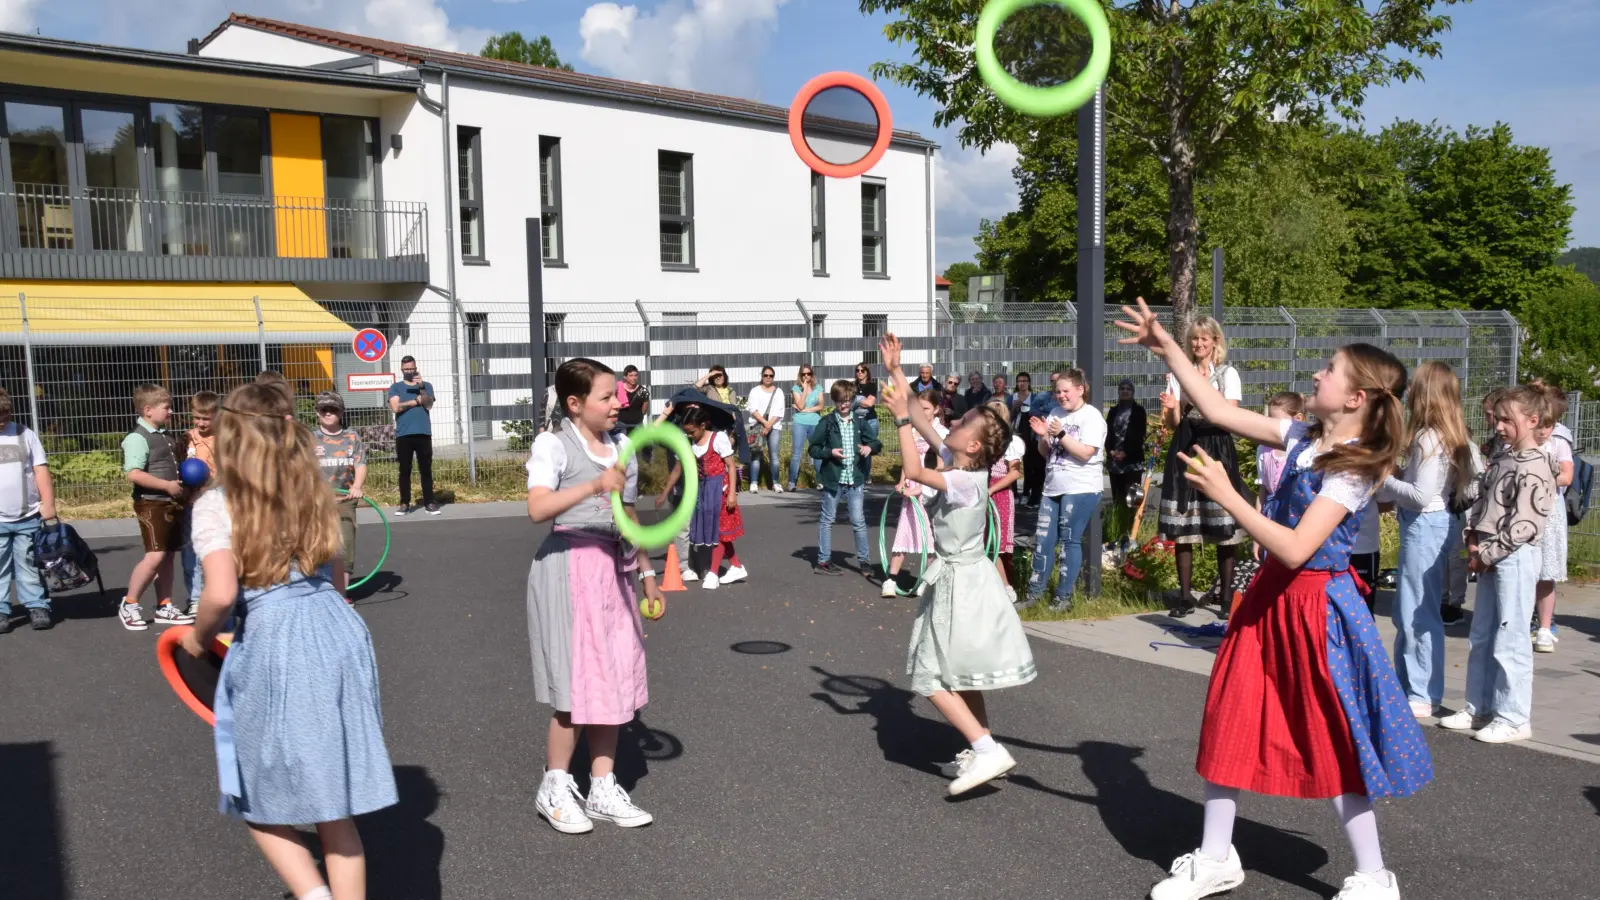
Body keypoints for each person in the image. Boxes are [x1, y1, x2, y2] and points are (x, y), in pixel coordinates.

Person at [1118, 298, 1428, 900]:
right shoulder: (1304, 436)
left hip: (1315, 611)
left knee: (1333, 735)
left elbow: (1295, 548)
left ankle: (1373, 874)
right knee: (1228, 715)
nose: (1317, 375)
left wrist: (1228, 494)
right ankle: (1215, 858)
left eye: (1330, 370)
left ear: (1356, 398)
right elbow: (1214, 408)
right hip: (1268, 604)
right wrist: (1168, 346)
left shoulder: (1354, 469)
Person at [180, 382, 397, 899]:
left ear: (231, 434)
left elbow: (221, 591)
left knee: (258, 792)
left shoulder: (218, 503)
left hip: (277, 636)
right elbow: (339, 576)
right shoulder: (312, 489)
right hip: (336, 627)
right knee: (333, 799)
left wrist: (195, 640)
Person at [880, 333, 1035, 796]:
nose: (953, 421)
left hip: (960, 583)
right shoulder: (962, 462)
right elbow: (921, 420)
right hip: (960, 578)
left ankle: (986, 748)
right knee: (961, 672)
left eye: (963, 421)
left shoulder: (967, 481)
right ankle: (978, 747)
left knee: (928, 674)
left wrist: (901, 425)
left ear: (974, 447)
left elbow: (912, 470)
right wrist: (895, 371)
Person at [525, 358, 664, 834]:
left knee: (614, 680)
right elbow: (538, 508)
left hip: (613, 568)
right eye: (606, 397)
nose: (617, 403)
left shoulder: (621, 444)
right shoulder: (553, 444)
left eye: (616, 396)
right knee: (574, 685)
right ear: (575, 403)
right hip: (568, 567)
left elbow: (627, 514)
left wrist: (647, 572)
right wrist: (591, 483)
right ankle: (556, 785)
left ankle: (602, 786)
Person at [1439, 385, 1555, 746]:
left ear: (1533, 421)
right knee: (1483, 633)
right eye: (1498, 418)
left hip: (1512, 558)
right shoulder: (1504, 457)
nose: (1500, 426)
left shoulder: (1535, 464)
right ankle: (1480, 705)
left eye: (1508, 420)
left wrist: (1485, 554)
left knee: (1511, 637)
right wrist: (1473, 538)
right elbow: (1484, 499)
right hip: (1488, 555)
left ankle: (1514, 715)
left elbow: (1525, 524)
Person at [1380, 362, 1473, 718]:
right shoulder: (1437, 435)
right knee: (1411, 609)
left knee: (1417, 611)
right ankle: (1411, 685)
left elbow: (1420, 495)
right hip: (1426, 524)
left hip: (1424, 524)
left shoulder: (1429, 437)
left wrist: (1385, 479)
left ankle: (1421, 690)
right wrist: (1399, 474)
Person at [1157, 316, 1247, 616]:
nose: (1198, 344)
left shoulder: (1227, 373)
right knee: (1184, 523)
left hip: (1217, 446)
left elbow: (1227, 415)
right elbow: (1173, 423)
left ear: (1215, 342)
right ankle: (1184, 597)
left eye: (1204, 339)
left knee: (1222, 525)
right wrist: (1171, 409)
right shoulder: (1178, 374)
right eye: (1194, 339)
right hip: (1186, 444)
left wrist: (1196, 397)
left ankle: (1225, 598)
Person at [1025, 371, 1107, 612]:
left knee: (1069, 539)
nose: (1060, 396)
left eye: (1065, 391)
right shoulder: (1055, 414)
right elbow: (1046, 453)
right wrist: (1043, 437)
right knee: (1043, 540)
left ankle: (1064, 597)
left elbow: (1084, 453)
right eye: (1057, 392)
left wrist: (1060, 433)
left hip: (1081, 486)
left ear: (1080, 389)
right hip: (1053, 485)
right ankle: (1035, 593)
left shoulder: (1091, 417)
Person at [120, 383, 193, 631]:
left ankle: (165, 605)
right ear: (148, 410)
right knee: (155, 555)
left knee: (168, 556)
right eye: (166, 407)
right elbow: (134, 474)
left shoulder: (165, 434)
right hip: (151, 504)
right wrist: (166, 486)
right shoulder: (137, 438)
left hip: (170, 504)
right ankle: (129, 603)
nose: (171, 411)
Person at [659, 405, 747, 591]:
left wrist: (732, 493)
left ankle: (714, 572)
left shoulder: (718, 438)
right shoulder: (688, 443)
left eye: (692, 432)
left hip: (719, 488)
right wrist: (665, 492)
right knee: (714, 530)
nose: (690, 435)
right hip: (702, 489)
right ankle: (736, 566)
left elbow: (731, 466)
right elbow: (678, 468)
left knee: (720, 531)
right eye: (687, 432)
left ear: (702, 425)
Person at [809, 379, 881, 577]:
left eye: (848, 400)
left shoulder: (859, 422)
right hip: (833, 478)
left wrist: (869, 448)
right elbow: (813, 449)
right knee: (827, 519)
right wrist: (830, 452)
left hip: (855, 478)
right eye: (840, 401)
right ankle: (823, 561)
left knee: (858, 521)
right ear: (834, 401)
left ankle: (865, 562)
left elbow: (876, 443)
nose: (844, 404)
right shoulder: (827, 422)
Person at [0, 387, 56, 634]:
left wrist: (49, 504)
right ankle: (1, 610)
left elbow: (40, 469)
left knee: (29, 562)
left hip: (27, 516)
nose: (2, 423)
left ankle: (36, 605)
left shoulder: (24, 434)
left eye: (4, 417)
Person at [882, 389, 947, 598]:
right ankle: (891, 578)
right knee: (905, 529)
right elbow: (908, 461)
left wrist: (922, 488)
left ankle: (926, 580)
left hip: (929, 490)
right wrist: (902, 482)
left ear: (936, 409)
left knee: (929, 534)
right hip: (911, 489)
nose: (922, 412)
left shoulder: (941, 433)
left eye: (926, 408)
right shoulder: (912, 430)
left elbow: (940, 468)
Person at [1531, 381, 1573, 654]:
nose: (1544, 430)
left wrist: (1538, 475)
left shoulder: (1558, 440)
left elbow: (1567, 475)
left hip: (1549, 513)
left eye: (1549, 424)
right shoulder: (1522, 438)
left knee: (1546, 572)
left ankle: (1545, 626)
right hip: (1526, 513)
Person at [312, 391, 368, 596]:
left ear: (341, 413)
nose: (328, 413)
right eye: (324, 409)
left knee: (344, 545)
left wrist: (357, 487)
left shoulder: (352, 437)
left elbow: (360, 465)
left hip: (345, 499)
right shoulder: (311, 438)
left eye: (333, 409)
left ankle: (343, 593)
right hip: (318, 501)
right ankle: (320, 590)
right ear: (317, 412)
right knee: (318, 545)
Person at [179, 390, 219, 617]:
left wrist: (208, 487)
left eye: (206, 418)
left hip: (215, 501)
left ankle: (217, 596)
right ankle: (195, 599)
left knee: (215, 551)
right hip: (192, 504)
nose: (201, 423)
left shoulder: (225, 439)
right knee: (190, 553)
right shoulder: (188, 439)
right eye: (197, 418)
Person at [387, 356, 437, 516]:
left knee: (426, 470)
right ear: (402, 370)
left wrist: (421, 387)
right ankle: (404, 503)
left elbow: (428, 405)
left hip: (423, 433)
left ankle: (429, 502)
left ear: (416, 368)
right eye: (406, 369)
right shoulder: (396, 387)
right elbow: (395, 408)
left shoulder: (426, 386)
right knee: (404, 470)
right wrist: (414, 402)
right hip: (404, 434)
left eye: (412, 369)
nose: (409, 372)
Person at [987, 398, 1026, 599]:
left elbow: (1014, 473)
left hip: (999, 493)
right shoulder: (984, 441)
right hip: (984, 491)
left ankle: (1006, 588)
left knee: (996, 543)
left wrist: (991, 489)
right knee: (983, 541)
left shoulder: (1012, 442)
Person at [1104, 379, 1149, 547]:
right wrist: (1110, 451)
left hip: (1132, 461)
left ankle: (1131, 532)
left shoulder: (1139, 411)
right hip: (1115, 461)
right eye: (1121, 388)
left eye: (1128, 389)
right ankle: (1117, 531)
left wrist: (1126, 452)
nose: (1124, 391)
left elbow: (1139, 434)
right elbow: (1107, 433)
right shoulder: (1113, 411)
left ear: (1133, 392)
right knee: (1117, 498)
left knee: (1132, 498)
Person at [745, 366, 785, 493]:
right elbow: (752, 409)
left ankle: (776, 482)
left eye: (770, 375)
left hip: (775, 427)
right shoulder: (755, 391)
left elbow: (780, 411)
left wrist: (769, 424)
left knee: (774, 456)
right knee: (756, 455)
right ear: (761, 376)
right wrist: (764, 423)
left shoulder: (778, 392)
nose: (768, 377)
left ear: (773, 377)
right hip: (757, 426)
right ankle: (754, 482)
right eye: (765, 375)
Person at [1010, 373, 1046, 507]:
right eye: (1019, 381)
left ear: (1029, 383)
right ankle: (1014, 492)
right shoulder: (1011, 397)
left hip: (1029, 435)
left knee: (1029, 465)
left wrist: (1028, 409)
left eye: (1025, 381)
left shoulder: (1035, 397)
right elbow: (1006, 414)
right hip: (1015, 433)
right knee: (1013, 461)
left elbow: (1037, 413)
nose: (1022, 384)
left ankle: (1026, 492)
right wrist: (1014, 408)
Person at [787, 366, 824, 492]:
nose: (806, 376)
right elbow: (800, 404)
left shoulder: (818, 388)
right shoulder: (796, 388)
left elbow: (821, 406)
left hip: (815, 423)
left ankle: (821, 481)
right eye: (803, 374)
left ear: (812, 374)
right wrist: (805, 389)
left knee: (817, 452)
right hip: (799, 423)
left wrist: (805, 410)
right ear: (800, 375)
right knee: (796, 454)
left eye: (808, 374)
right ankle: (792, 482)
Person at [616, 365, 651, 459]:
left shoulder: (643, 391)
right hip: (621, 423)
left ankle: (646, 464)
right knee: (620, 447)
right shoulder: (618, 389)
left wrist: (638, 416)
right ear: (625, 376)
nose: (634, 378)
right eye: (631, 375)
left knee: (643, 445)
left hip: (637, 424)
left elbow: (645, 407)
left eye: (636, 375)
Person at [851, 361, 880, 444]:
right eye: (857, 370)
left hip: (870, 420)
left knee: (869, 448)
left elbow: (870, 403)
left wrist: (856, 400)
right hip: (855, 421)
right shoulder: (851, 386)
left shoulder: (872, 386)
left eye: (862, 370)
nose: (860, 372)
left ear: (867, 372)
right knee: (857, 447)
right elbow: (849, 402)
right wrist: (863, 401)